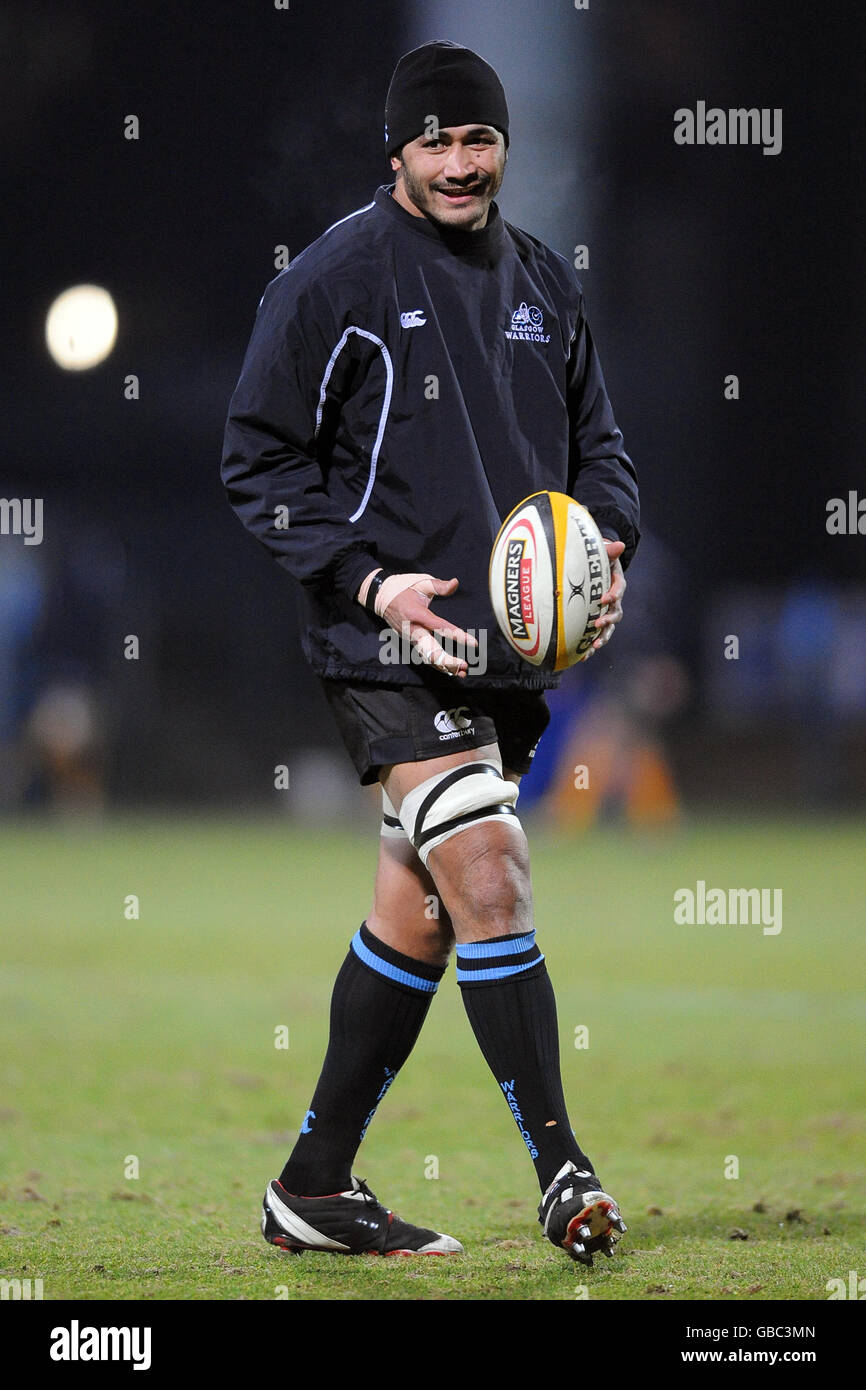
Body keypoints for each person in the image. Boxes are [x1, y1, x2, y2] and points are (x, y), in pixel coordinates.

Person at [221, 39, 639, 1265]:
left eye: (478, 139)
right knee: (493, 867)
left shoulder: (543, 283)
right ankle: (563, 1168)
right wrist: (368, 577)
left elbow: (599, 450)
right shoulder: (334, 279)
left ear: (500, 147)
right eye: (435, 141)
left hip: (506, 662)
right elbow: (256, 458)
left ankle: (313, 1182)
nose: (459, 163)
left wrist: (605, 544)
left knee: (420, 913)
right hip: (382, 646)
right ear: (395, 151)